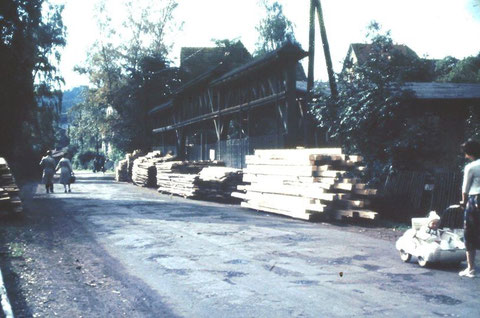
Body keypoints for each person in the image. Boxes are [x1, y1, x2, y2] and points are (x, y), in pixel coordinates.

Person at [459, 139, 480, 278]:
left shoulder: (471, 167)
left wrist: (463, 202)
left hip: (476, 200)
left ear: (470, 153)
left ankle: (471, 269)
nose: (465, 156)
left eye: (466, 154)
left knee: (470, 233)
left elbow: (465, 189)